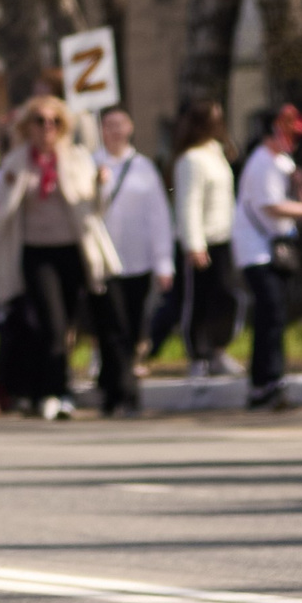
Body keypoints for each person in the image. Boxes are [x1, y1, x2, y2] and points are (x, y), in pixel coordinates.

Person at [0, 95, 103, 421]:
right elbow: (1, 209)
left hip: (71, 251)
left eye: (54, 122)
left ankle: (53, 390)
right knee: (51, 323)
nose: (47, 128)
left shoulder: (77, 159)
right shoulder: (17, 161)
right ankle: (53, 391)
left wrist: (101, 186)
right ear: (28, 127)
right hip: (35, 252)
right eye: (40, 121)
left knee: (66, 327)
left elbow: (93, 208)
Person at [232, 102, 302, 410]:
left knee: (276, 316)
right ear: (273, 132)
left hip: (274, 250)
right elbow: (272, 207)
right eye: (288, 134)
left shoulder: (281, 161)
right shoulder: (263, 163)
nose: (294, 141)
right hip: (258, 252)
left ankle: (269, 382)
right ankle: (264, 384)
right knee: (271, 316)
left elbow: (294, 200)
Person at [90, 106, 174, 419]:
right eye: (108, 125)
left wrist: (164, 261)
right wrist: (96, 184)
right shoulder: (91, 164)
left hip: (138, 260)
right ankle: (124, 393)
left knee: (134, 326)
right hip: (103, 261)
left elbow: (159, 216)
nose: (114, 131)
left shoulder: (144, 168)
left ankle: (114, 386)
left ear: (130, 128)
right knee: (112, 327)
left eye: (119, 124)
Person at [171, 100, 240, 378]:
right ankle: (197, 354)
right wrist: (194, 244)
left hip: (223, 238)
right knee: (198, 299)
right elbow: (187, 203)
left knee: (224, 297)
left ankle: (218, 349)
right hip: (202, 242)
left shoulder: (218, 153)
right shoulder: (191, 159)